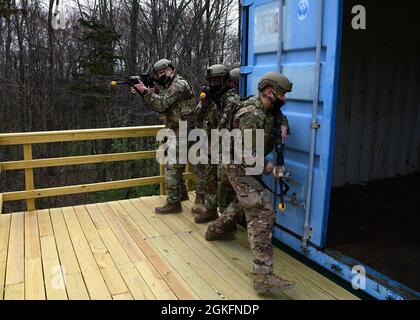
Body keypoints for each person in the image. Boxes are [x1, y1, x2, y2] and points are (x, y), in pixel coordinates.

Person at [205, 72, 295, 294]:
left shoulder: (269, 108)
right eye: (281, 93)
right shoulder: (251, 114)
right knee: (261, 211)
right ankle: (263, 277)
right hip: (238, 166)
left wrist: (283, 123)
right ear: (269, 91)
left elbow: (277, 114)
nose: (284, 98)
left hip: (249, 167)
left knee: (243, 203)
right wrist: (272, 169)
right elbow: (245, 155)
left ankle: (215, 229)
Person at [132, 59, 196, 214]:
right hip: (175, 130)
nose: (162, 75)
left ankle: (174, 203)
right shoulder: (169, 86)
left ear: (171, 70)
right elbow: (165, 102)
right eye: (159, 73)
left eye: (164, 71)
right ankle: (181, 195)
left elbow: (162, 105)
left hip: (183, 130)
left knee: (172, 167)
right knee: (174, 164)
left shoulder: (178, 85)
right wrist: (148, 91)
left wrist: (145, 91)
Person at [193, 64, 241, 224]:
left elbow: (224, 125)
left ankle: (227, 221)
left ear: (226, 80)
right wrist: (204, 102)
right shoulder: (211, 96)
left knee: (225, 183)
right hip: (210, 144)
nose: (213, 84)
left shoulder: (231, 98)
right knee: (209, 179)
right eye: (211, 81)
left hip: (224, 147)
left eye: (216, 80)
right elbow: (198, 117)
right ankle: (210, 210)